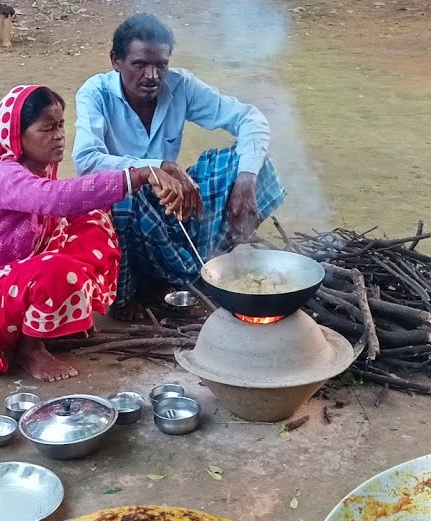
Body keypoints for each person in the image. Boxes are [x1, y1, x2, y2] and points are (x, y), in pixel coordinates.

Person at [0, 84, 172, 382]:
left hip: (7, 283)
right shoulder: (5, 176)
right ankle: (29, 349)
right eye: (47, 128)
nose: (59, 135)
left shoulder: (39, 170)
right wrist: (138, 175)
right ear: (16, 136)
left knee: (92, 221)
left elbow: (69, 201)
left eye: (60, 125)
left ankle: (52, 318)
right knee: (57, 269)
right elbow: (56, 199)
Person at [73, 13, 287, 312]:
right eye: (140, 64)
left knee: (251, 162)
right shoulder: (95, 93)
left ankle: (201, 263)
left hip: (171, 201)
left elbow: (249, 119)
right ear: (116, 61)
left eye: (161, 64)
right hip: (123, 208)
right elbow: (86, 161)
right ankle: (135, 291)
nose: (152, 75)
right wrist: (155, 167)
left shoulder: (180, 85)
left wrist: (246, 180)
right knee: (125, 199)